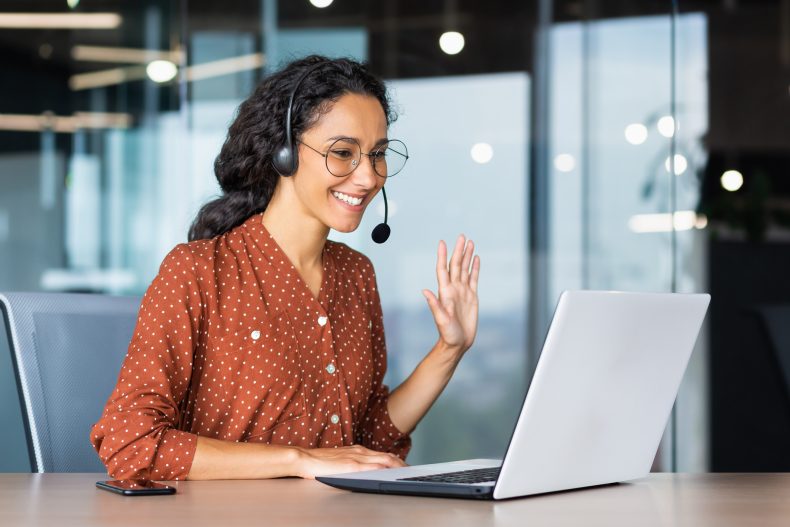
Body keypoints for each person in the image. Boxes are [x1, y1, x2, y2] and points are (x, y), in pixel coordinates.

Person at [90, 55, 481, 481]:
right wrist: (298, 459)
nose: (368, 177)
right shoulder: (198, 271)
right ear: (285, 152)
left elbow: (367, 438)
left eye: (378, 155)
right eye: (344, 153)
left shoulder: (356, 275)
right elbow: (130, 443)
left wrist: (450, 349)